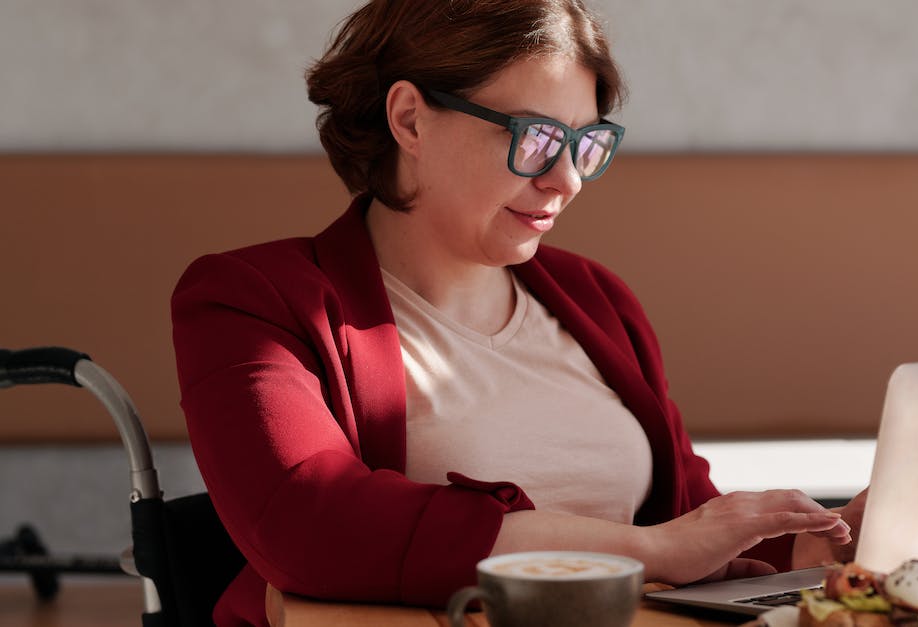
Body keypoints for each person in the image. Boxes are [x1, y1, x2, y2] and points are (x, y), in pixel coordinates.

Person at [171, 1, 866, 625]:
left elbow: (690, 518)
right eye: (534, 137)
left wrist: (803, 543)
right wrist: (646, 552)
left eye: (586, 145)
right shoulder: (250, 298)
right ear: (409, 118)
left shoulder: (597, 297)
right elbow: (310, 526)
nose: (565, 180)